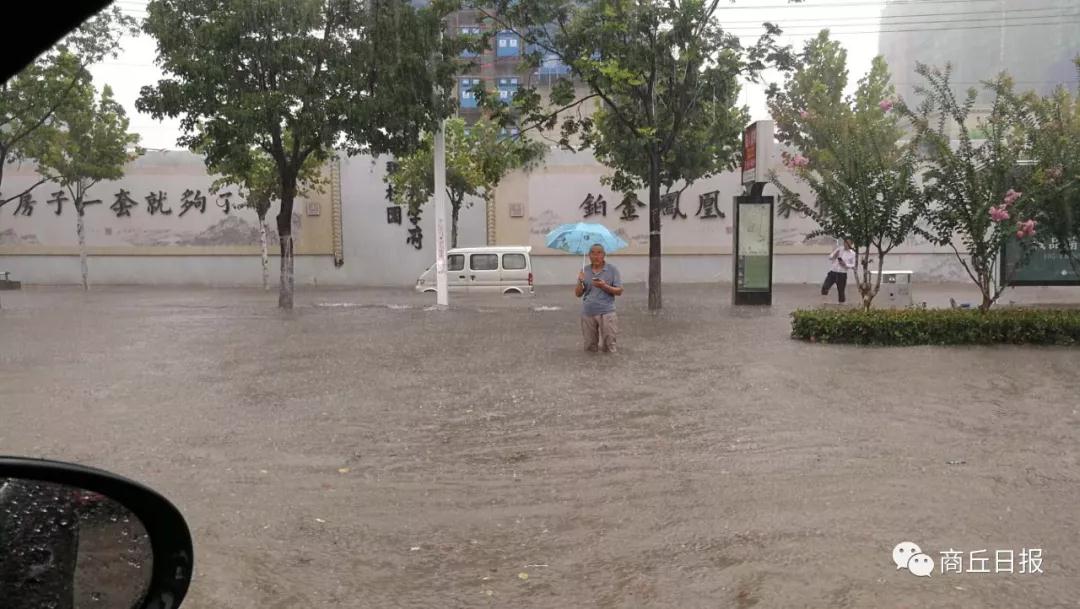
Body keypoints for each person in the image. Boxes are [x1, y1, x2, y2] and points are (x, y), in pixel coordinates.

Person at [575, 244, 623, 353]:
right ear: (589, 255)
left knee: (609, 347)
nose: (596, 256)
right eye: (593, 253)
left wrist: (604, 286)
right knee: (589, 347)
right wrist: (580, 281)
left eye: (599, 253)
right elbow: (578, 294)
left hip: (607, 312)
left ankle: (610, 368)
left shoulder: (612, 270)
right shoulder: (584, 270)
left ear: (604, 255)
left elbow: (619, 291)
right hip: (588, 313)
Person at [822, 238, 856, 303]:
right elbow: (830, 257)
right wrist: (834, 256)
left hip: (842, 274)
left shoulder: (853, 254)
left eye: (848, 243)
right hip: (833, 272)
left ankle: (841, 305)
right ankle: (824, 302)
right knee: (825, 287)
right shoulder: (839, 249)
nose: (846, 244)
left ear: (851, 244)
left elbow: (853, 265)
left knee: (841, 291)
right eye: (845, 242)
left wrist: (845, 264)